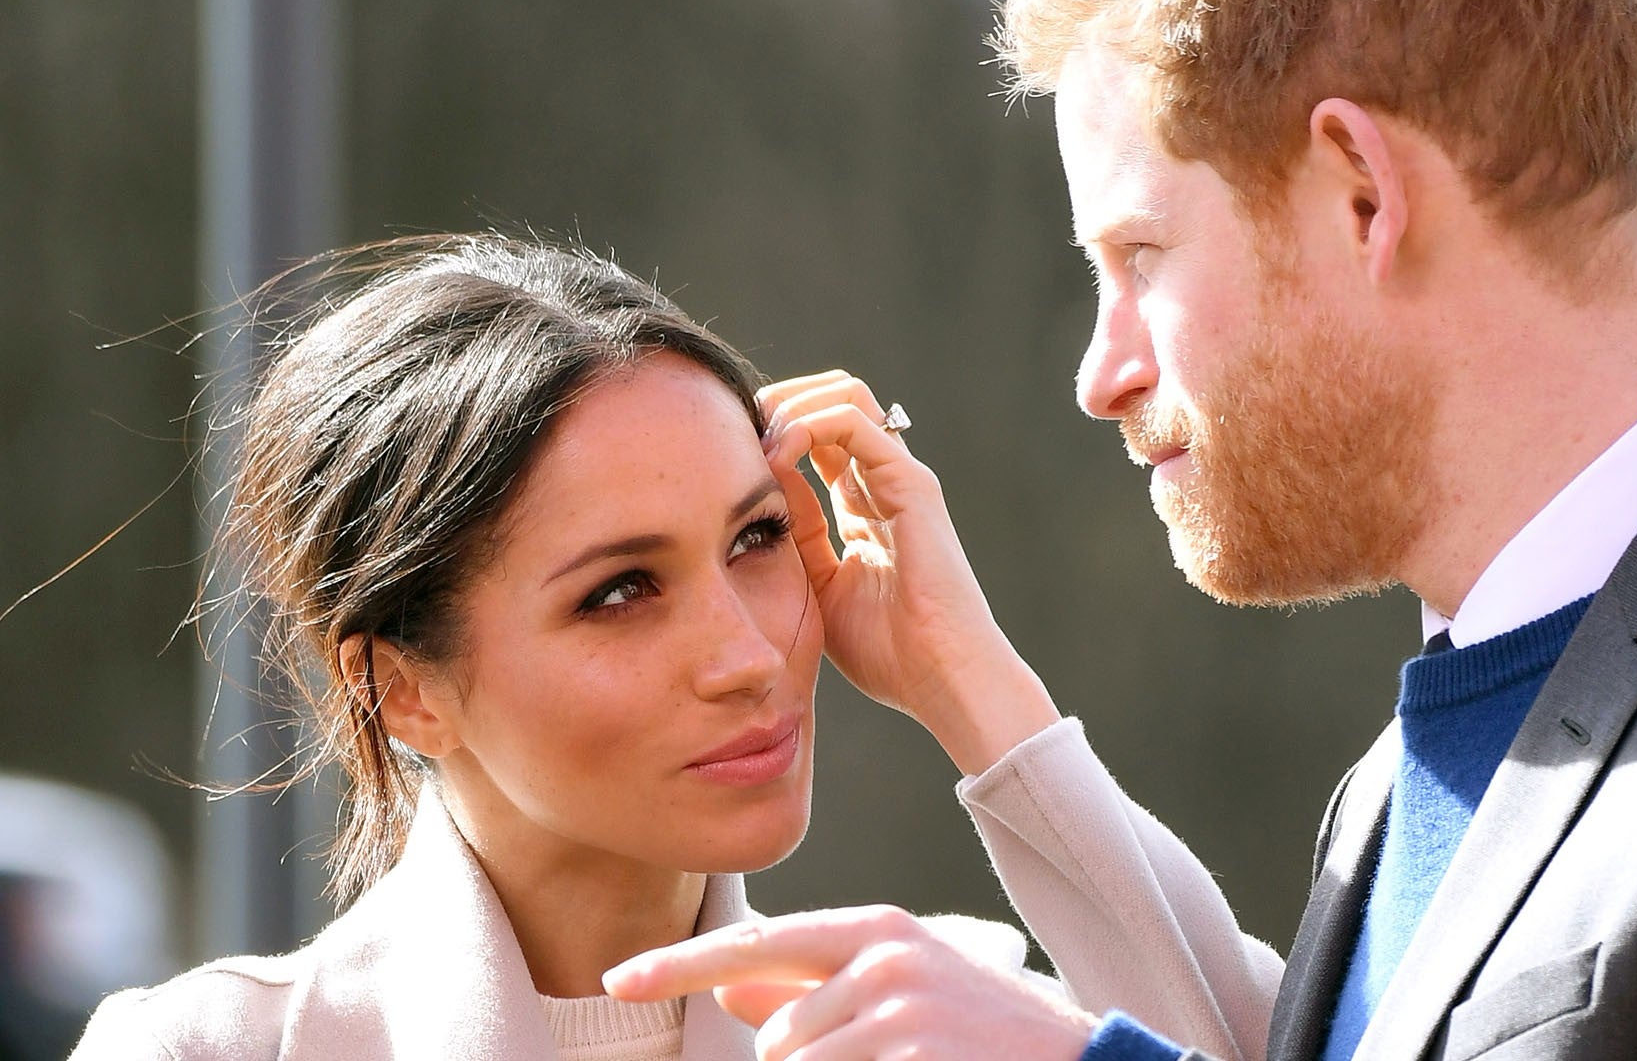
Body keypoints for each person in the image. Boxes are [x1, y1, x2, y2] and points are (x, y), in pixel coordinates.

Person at [605, 0, 1637, 1059]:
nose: (1100, 372)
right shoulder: (1400, 781)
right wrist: (963, 681)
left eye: (1139, 257)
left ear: (1361, 190)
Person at [69, 234, 1032, 1061]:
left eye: (758, 537)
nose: (747, 659)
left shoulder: (953, 1026)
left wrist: (966, 674)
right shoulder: (208, 1051)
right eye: (620, 593)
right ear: (403, 689)